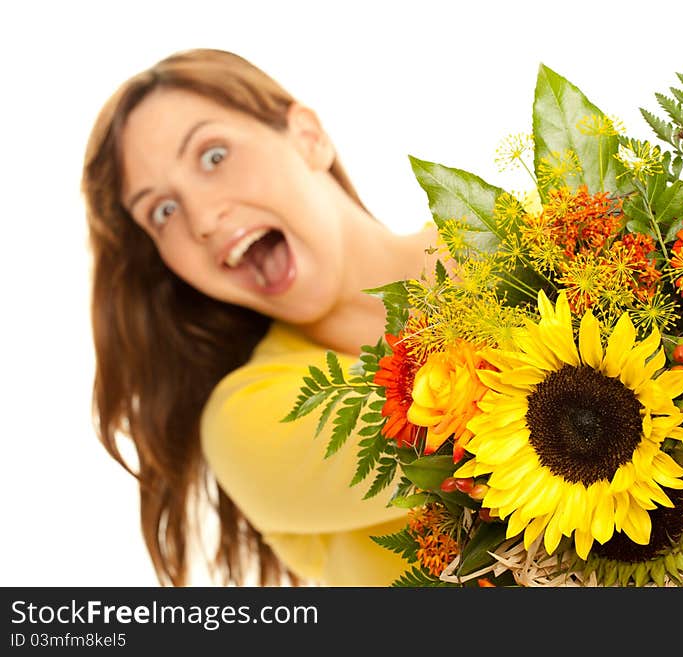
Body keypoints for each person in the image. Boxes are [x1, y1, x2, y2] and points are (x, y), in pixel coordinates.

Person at [81, 48, 439, 586]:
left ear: (308, 139)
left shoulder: (534, 232)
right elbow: (460, 430)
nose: (201, 219)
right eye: (163, 211)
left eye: (213, 156)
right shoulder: (250, 418)